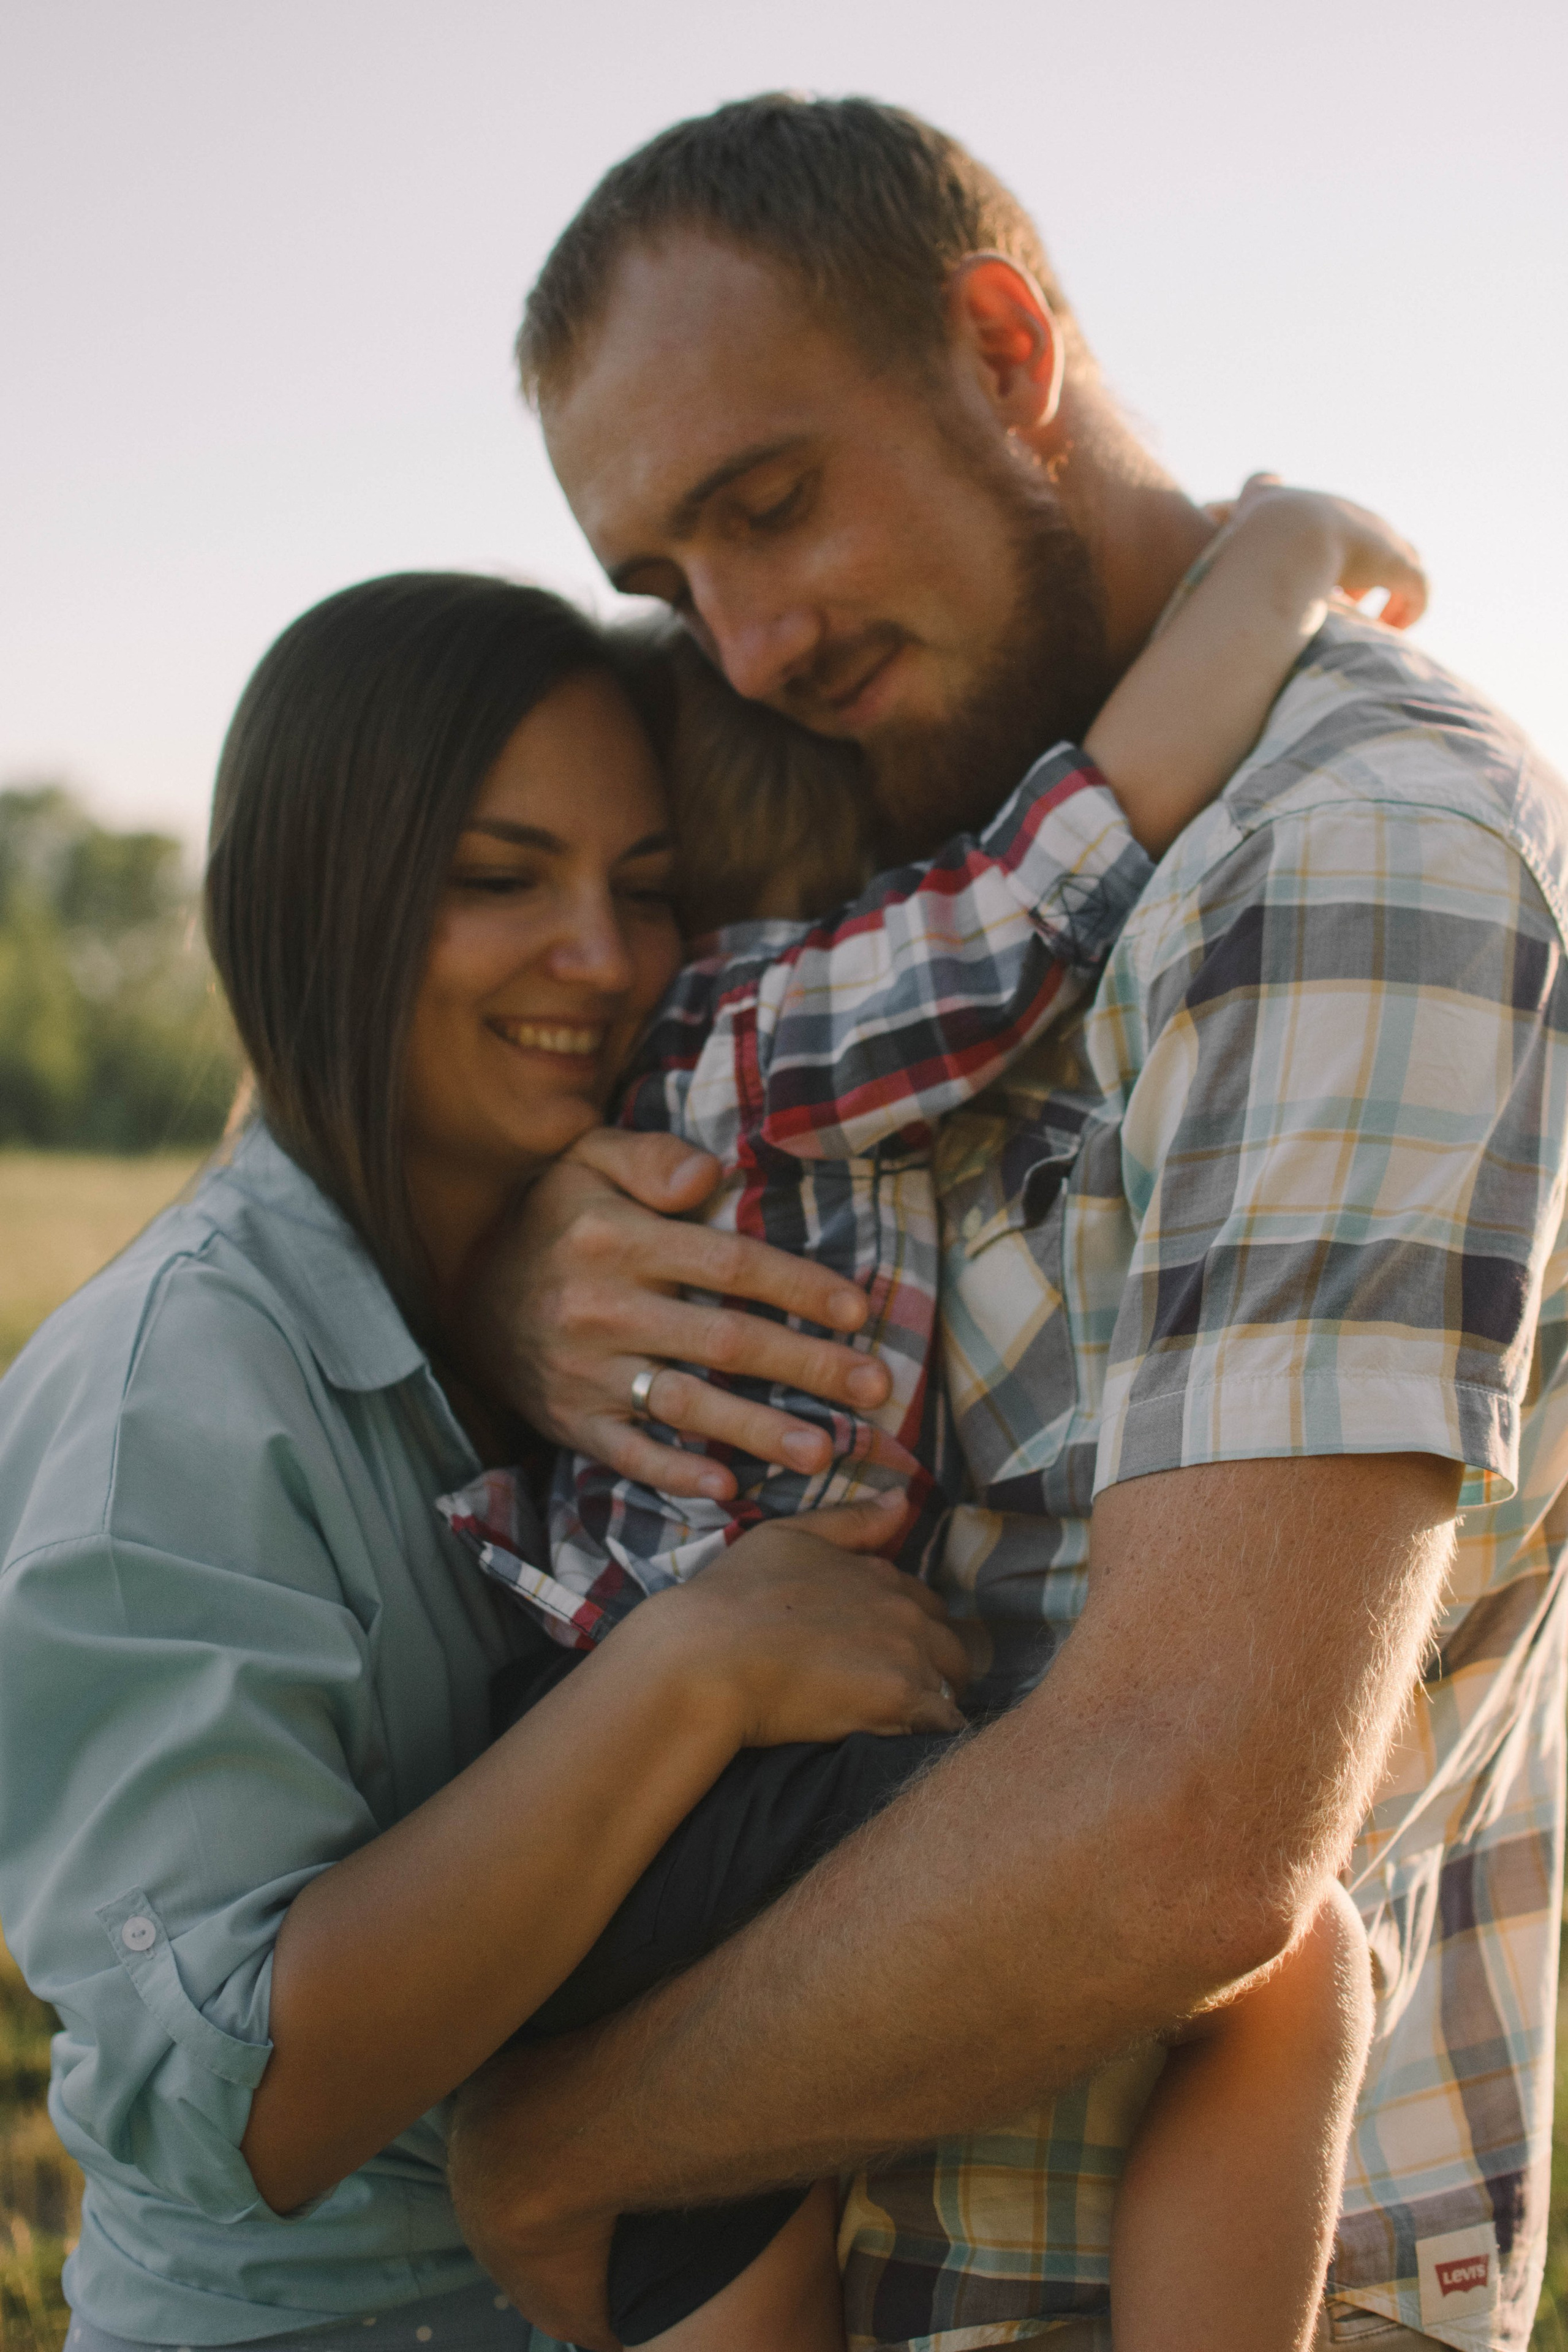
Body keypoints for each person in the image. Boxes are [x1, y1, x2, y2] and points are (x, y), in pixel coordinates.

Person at [444, 96, 1568, 2352]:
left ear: (999, 350)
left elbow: (1186, 1829)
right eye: (674, 583)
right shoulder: (883, 851)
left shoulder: (1343, 859)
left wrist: (568, 2149)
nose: (745, 646)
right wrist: (533, 1276)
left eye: (771, 507)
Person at [0, 575, 968, 2352]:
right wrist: (698, 1669)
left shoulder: (618, 1265)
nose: (602, 960)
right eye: (497, 878)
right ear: (318, 904)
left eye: (647, 887)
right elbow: (236, 2100)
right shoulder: (172, 1397)